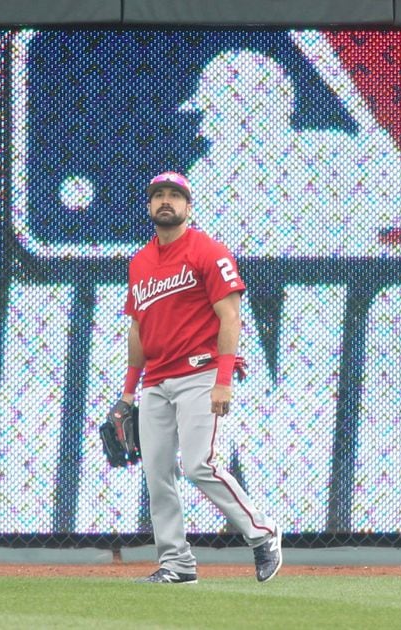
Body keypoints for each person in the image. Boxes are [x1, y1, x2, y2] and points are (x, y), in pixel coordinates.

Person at [120, 170, 282, 584]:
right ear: (149, 206)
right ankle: (176, 563)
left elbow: (230, 315)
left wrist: (223, 379)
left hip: (199, 373)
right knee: (157, 474)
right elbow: (138, 329)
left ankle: (262, 535)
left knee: (198, 464)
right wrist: (127, 393)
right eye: (158, 195)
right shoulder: (140, 262)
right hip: (155, 381)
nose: (166, 202)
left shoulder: (209, 252)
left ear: (189, 207)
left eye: (175, 195)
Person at [180, 50, 401, 259]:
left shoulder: (333, 155)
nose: (204, 128)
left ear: (251, 114)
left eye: (214, 113)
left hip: (337, 294)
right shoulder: (207, 175)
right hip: (239, 307)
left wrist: (339, 216)